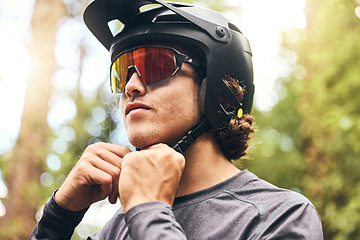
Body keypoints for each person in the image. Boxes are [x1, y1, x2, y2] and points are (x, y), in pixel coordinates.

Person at [30, 0, 323, 239]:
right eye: (122, 72)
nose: (131, 86)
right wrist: (58, 217)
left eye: (155, 65)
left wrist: (148, 211)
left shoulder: (279, 216)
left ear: (219, 89)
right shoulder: (118, 227)